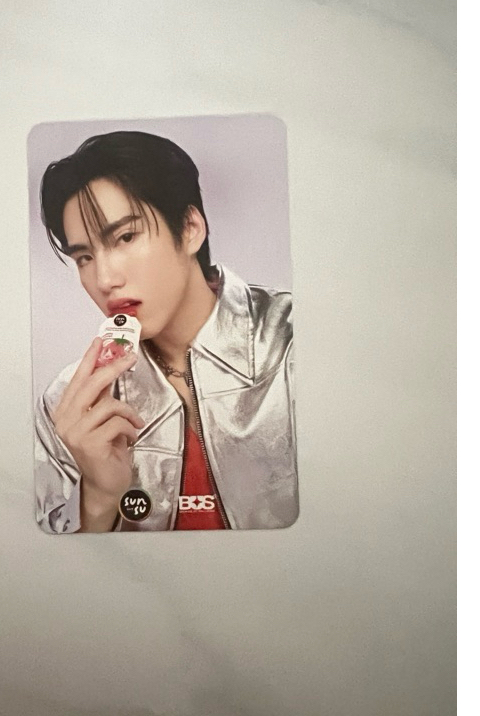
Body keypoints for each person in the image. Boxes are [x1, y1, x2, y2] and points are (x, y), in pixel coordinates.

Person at [34, 131, 298, 533]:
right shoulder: (69, 406)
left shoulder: (294, 342)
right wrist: (98, 498)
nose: (104, 279)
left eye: (125, 237)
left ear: (190, 227)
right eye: (84, 257)